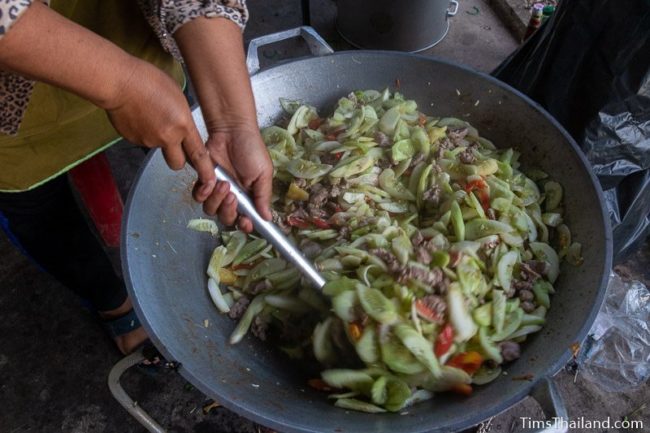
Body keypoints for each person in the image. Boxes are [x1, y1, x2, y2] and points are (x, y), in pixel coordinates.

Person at [0, 0, 273, 355]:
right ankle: (114, 302)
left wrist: (232, 122)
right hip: (15, 128)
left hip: (145, 69)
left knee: (179, 154)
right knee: (40, 216)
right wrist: (121, 83)